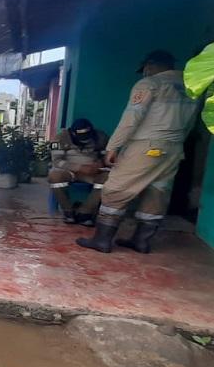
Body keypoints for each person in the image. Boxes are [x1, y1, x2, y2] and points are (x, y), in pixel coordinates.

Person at [77, 50, 198, 254]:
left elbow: (131, 119)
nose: (144, 73)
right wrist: (176, 143)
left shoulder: (150, 84)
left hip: (146, 147)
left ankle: (102, 240)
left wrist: (113, 147)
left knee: (115, 190)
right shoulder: (192, 86)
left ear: (150, 65)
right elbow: (191, 123)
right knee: (157, 192)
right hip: (174, 148)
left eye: (145, 69)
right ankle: (141, 242)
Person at [48, 117, 109, 226]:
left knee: (109, 178)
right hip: (68, 171)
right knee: (54, 176)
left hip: (93, 171)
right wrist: (79, 168)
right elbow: (56, 161)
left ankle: (85, 212)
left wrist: (100, 164)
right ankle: (68, 212)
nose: (84, 140)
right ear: (73, 133)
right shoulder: (59, 138)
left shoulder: (101, 136)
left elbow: (106, 157)